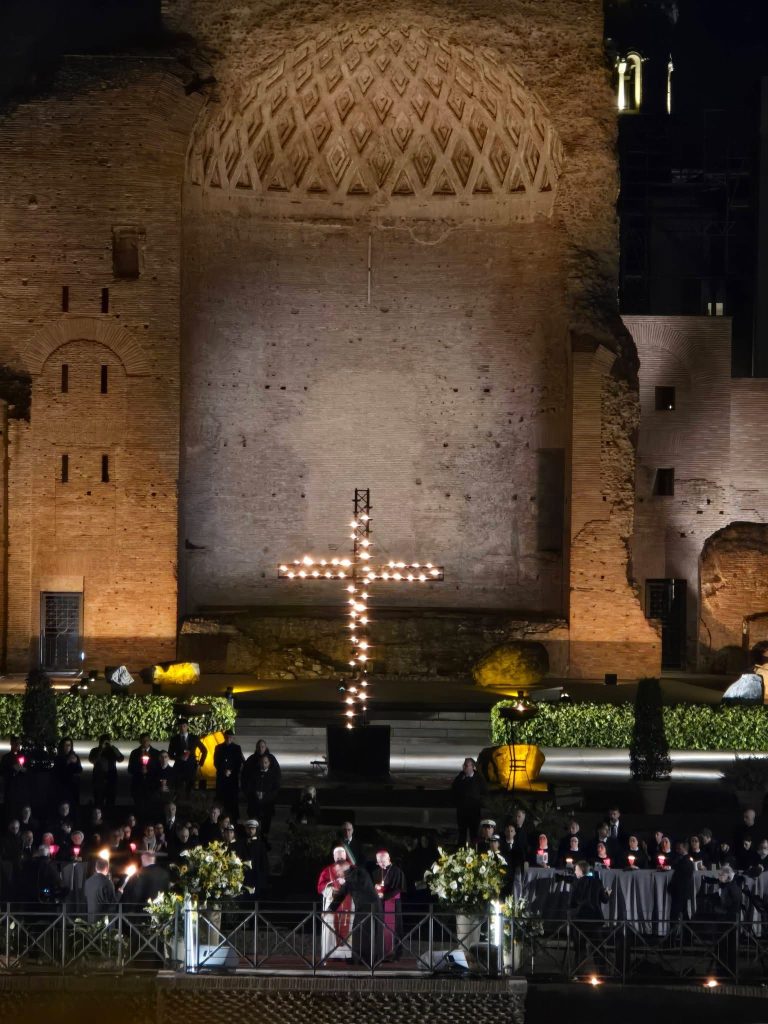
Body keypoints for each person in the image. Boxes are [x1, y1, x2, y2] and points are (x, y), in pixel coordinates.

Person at [329, 864, 382, 966]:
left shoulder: (359, 872)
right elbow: (342, 893)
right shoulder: (351, 876)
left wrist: (345, 881)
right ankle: (359, 959)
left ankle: (370, 960)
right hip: (363, 908)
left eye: (337, 871)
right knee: (358, 933)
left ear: (342, 868)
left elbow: (353, 884)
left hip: (370, 907)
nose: (337, 874)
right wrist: (331, 909)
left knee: (369, 933)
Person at [317, 847, 353, 961]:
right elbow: (320, 887)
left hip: (349, 903)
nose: (340, 859)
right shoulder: (327, 870)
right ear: (334, 857)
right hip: (333, 902)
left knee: (350, 926)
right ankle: (331, 954)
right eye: (337, 857)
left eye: (342, 857)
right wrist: (331, 888)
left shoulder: (352, 869)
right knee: (331, 927)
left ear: (345, 856)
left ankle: (348, 955)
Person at [373, 849, 406, 960]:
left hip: (393, 905)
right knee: (380, 927)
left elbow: (398, 889)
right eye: (378, 862)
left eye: (383, 861)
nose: (381, 864)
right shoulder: (376, 872)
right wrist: (376, 889)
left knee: (395, 928)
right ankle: (381, 953)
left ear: (389, 859)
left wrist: (384, 896)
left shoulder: (397, 871)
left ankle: (395, 954)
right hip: (380, 905)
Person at [450, 758, 487, 846]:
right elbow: (454, 788)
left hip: (474, 812)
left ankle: (473, 854)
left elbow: (484, 792)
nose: (464, 767)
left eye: (466, 765)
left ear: (472, 767)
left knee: (473, 834)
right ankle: (460, 853)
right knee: (462, 834)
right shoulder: (460, 776)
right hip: (462, 812)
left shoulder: (479, 779)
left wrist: (477, 802)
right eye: (464, 765)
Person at [243, 753, 280, 836]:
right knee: (253, 825)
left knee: (265, 827)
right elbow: (249, 787)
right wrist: (255, 794)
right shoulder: (254, 774)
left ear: (269, 763)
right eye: (262, 762)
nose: (263, 764)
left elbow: (275, 790)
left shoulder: (273, 775)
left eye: (266, 762)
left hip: (267, 805)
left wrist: (265, 796)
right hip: (254, 804)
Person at [168, 719, 207, 796]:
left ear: (187, 727)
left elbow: (204, 750)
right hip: (179, 766)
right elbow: (170, 754)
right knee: (178, 789)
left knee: (190, 788)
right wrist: (179, 757)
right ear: (178, 727)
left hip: (191, 766)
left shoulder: (194, 738)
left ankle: (189, 803)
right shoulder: (174, 739)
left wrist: (200, 764)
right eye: (180, 726)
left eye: (184, 726)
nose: (182, 728)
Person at [213, 730, 244, 818]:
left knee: (233, 798)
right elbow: (216, 762)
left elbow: (239, 762)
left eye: (230, 737)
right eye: (227, 737)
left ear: (233, 738)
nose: (228, 738)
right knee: (221, 798)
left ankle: (233, 817)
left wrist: (231, 771)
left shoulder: (237, 748)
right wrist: (224, 771)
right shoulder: (218, 747)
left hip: (233, 777)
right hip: (221, 777)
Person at [88, 735, 124, 809]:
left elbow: (120, 759)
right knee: (98, 801)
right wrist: (101, 749)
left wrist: (114, 749)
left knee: (111, 801)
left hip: (111, 778)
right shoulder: (95, 750)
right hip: (98, 779)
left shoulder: (112, 750)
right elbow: (92, 760)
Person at [238, 819, 269, 899]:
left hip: (256, 875)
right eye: (249, 828)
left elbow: (264, 862)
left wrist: (263, 878)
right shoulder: (241, 842)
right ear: (246, 829)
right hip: (244, 876)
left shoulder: (260, 844)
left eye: (253, 829)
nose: (251, 831)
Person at [127, 734, 160, 809]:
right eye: (143, 740)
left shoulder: (156, 753)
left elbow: (158, 769)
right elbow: (130, 769)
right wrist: (139, 770)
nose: (145, 742)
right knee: (139, 807)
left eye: (147, 740)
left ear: (150, 741)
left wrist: (149, 771)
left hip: (151, 785)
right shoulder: (134, 753)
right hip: (138, 785)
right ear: (140, 741)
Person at [84, 856, 120, 923]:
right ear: (106, 868)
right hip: (103, 920)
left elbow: (85, 898)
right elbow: (113, 903)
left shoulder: (88, 881)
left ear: (96, 867)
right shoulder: (107, 882)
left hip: (90, 918)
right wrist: (119, 893)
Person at [669, 840, 696, 922]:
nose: (677, 850)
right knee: (681, 914)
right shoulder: (682, 860)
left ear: (684, 848)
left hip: (681, 892)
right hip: (681, 892)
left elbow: (681, 877)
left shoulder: (686, 861)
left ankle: (679, 934)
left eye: (679, 848)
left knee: (676, 915)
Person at [53, 738, 83, 807]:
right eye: (65, 745)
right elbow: (57, 771)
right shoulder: (58, 758)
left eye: (69, 745)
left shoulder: (75, 757)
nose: (67, 747)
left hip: (73, 786)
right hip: (62, 786)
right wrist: (67, 762)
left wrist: (75, 763)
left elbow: (79, 770)